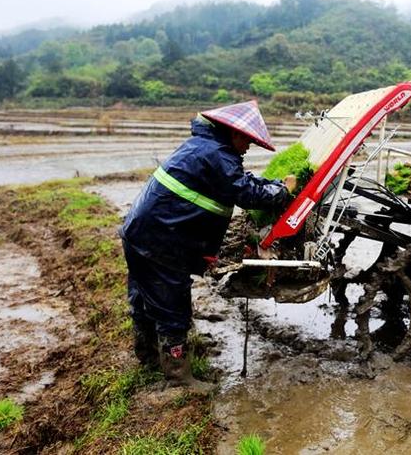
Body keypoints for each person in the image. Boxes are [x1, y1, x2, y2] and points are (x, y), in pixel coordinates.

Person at [119, 100, 295, 393]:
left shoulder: (204, 147)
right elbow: (246, 193)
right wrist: (283, 189)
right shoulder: (217, 154)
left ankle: (148, 358)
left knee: (144, 299)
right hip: (163, 243)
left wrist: (269, 182)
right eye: (247, 140)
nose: (249, 147)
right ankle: (178, 379)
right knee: (172, 307)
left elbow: (238, 180)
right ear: (232, 132)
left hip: (142, 234)